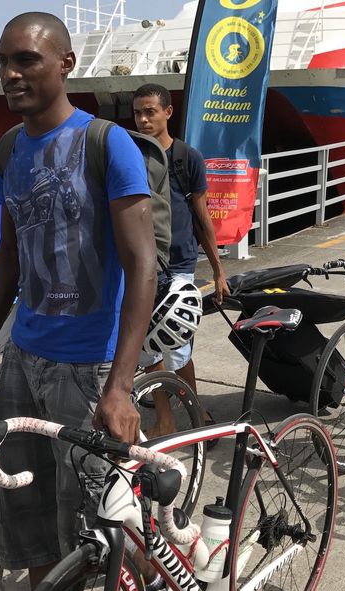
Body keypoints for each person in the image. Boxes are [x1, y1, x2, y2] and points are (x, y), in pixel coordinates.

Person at [0, 10, 158, 591]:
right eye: (4, 62)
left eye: (27, 61)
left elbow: (142, 263)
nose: (10, 74)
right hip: (25, 358)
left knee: (104, 523)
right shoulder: (10, 147)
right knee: (28, 511)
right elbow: (10, 255)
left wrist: (121, 386)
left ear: (66, 65)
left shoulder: (107, 143)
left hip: (89, 364)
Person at [132, 82, 229, 436]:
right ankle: (164, 416)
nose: (143, 120)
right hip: (142, 262)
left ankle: (194, 407)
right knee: (149, 342)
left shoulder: (187, 158)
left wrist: (218, 270)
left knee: (178, 338)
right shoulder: (131, 156)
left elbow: (202, 218)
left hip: (179, 263)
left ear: (168, 112)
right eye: (138, 113)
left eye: (150, 112)